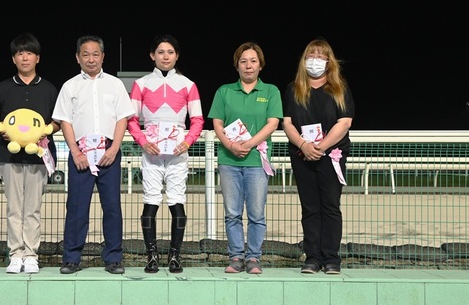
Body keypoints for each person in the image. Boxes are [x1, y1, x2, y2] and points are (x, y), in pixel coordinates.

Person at [52, 35, 135, 275]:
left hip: (109, 152)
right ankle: (71, 258)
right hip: (81, 153)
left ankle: (113, 258)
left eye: (95, 54)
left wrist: (114, 148)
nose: (91, 59)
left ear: (103, 57)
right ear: (77, 57)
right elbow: (65, 121)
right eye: (85, 54)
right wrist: (75, 152)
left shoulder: (115, 85)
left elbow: (123, 118)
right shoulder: (70, 86)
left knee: (112, 207)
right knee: (77, 207)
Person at [127, 34, 204, 273]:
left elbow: (198, 120)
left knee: (176, 202)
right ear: (153, 55)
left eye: (170, 52)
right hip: (152, 153)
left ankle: (174, 255)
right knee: (151, 202)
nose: (165, 56)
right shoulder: (141, 84)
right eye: (160, 52)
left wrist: (187, 142)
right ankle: (152, 256)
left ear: (177, 56)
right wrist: (143, 141)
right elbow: (131, 120)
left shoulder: (188, 85)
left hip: (178, 153)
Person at [0, 33, 60, 274]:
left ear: (37, 58)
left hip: (39, 155)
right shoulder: (2, 88)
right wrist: (3, 131)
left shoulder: (49, 89)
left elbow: (57, 122)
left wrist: (44, 133)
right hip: (9, 156)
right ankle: (15, 254)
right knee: (14, 208)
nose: (25, 57)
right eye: (20, 53)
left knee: (32, 209)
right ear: (13, 59)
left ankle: (31, 255)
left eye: (29, 53)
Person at [208, 42, 282, 275]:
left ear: (260, 65)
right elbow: (217, 123)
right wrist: (230, 145)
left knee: (256, 213)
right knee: (232, 213)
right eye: (243, 61)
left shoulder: (270, 91)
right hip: (229, 160)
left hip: (257, 161)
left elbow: (273, 123)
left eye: (253, 61)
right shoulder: (224, 91)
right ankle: (236, 256)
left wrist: (249, 144)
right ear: (236, 65)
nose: (248, 66)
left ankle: (253, 257)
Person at [282, 38, 354, 275]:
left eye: (321, 56)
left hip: (331, 156)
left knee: (330, 206)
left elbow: (344, 122)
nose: (315, 61)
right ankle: (312, 257)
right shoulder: (294, 90)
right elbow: (287, 123)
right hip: (302, 155)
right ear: (304, 60)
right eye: (311, 56)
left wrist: (321, 147)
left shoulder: (339, 89)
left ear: (329, 61)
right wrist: (304, 145)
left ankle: (331, 258)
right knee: (310, 207)